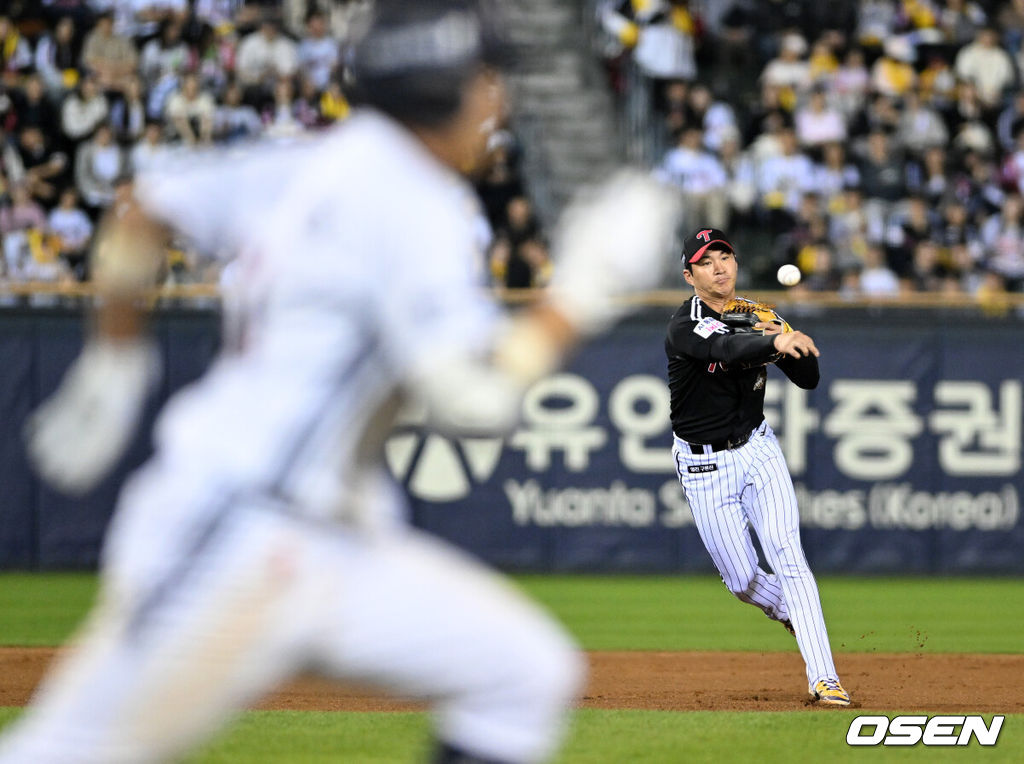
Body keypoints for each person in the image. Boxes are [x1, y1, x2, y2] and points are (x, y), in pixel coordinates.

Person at [0, 2, 680, 763]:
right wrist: (579, 295)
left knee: (523, 674)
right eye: (485, 79)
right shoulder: (414, 203)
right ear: (439, 88)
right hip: (240, 535)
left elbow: (144, 205)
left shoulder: (314, 160)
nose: (498, 101)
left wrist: (115, 358)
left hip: (324, 541)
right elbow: (475, 402)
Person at [664, 227, 851, 707]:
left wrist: (789, 341)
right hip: (703, 465)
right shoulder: (685, 325)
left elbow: (807, 379)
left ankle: (823, 677)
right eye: (706, 261)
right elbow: (725, 348)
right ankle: (795, 610)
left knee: (789, 555)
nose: (719, 266)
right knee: (743, 580)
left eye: (724, 256)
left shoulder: (758, 314)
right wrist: (773, 343)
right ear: (690, 275)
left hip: (758, 448)